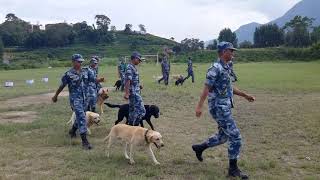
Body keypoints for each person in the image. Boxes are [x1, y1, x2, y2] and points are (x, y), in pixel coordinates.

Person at [192, 42, 255, 179]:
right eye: (231, 51)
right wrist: (199, 106)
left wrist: (245, 95)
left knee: (223, 136)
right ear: (223, 51)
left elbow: (229, 87)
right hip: (218, 107)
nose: (233, 53)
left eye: (233, 51)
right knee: (236, 137)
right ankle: (233, 170)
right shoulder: (215, 68)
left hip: (224, 106)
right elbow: (206, 88)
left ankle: (200, 148)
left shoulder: (227, 67)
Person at [52, 54, 104, 150]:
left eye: (81, 61)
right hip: (75, 100)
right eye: (78, 61)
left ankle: (72, 131)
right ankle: (85, 141)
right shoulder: (68, 74)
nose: (80, 63)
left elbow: (93, 80)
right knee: (81, 117)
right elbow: (61, 86)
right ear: (73, 62)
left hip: (85, 99)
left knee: (81, 116)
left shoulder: (86, 71)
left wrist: (99, 80)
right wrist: (55, 96)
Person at [124, 51, 146, 126]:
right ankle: (134, 126)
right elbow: (128, 80)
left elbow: (133, 80)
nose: (139, 61)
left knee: (133, 110)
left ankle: (131, 126)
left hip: (135, 91)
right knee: (142, 110)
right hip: (133, 93)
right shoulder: (129, 67)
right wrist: (127, 93)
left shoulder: (133, 67)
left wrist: (138, 85)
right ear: (134, 58)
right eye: (138, 59)